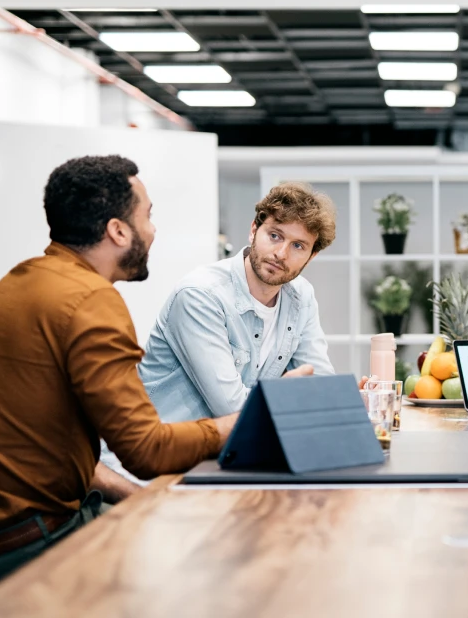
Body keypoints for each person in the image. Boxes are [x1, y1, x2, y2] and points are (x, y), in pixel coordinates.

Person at [0, 156, 239, 605]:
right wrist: (236, 424)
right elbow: (146, 451)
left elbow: (45, 449)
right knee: (200, 560)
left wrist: (138, 497)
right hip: (10, 540)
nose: (154, 229)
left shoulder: (21, 280)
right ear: (118, 231)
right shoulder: (91, 301)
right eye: (148, 214)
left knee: (152, 516)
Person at [100, 182, 346, 489]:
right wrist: (290, 400)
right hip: (148, 476)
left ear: (311, 256)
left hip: (222, 466)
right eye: (275, 235)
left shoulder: (301, 297)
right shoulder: (200, 296)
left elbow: (319, 384)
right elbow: (232, 410)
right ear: (253, 230)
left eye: (298, 246)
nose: (281, 254)